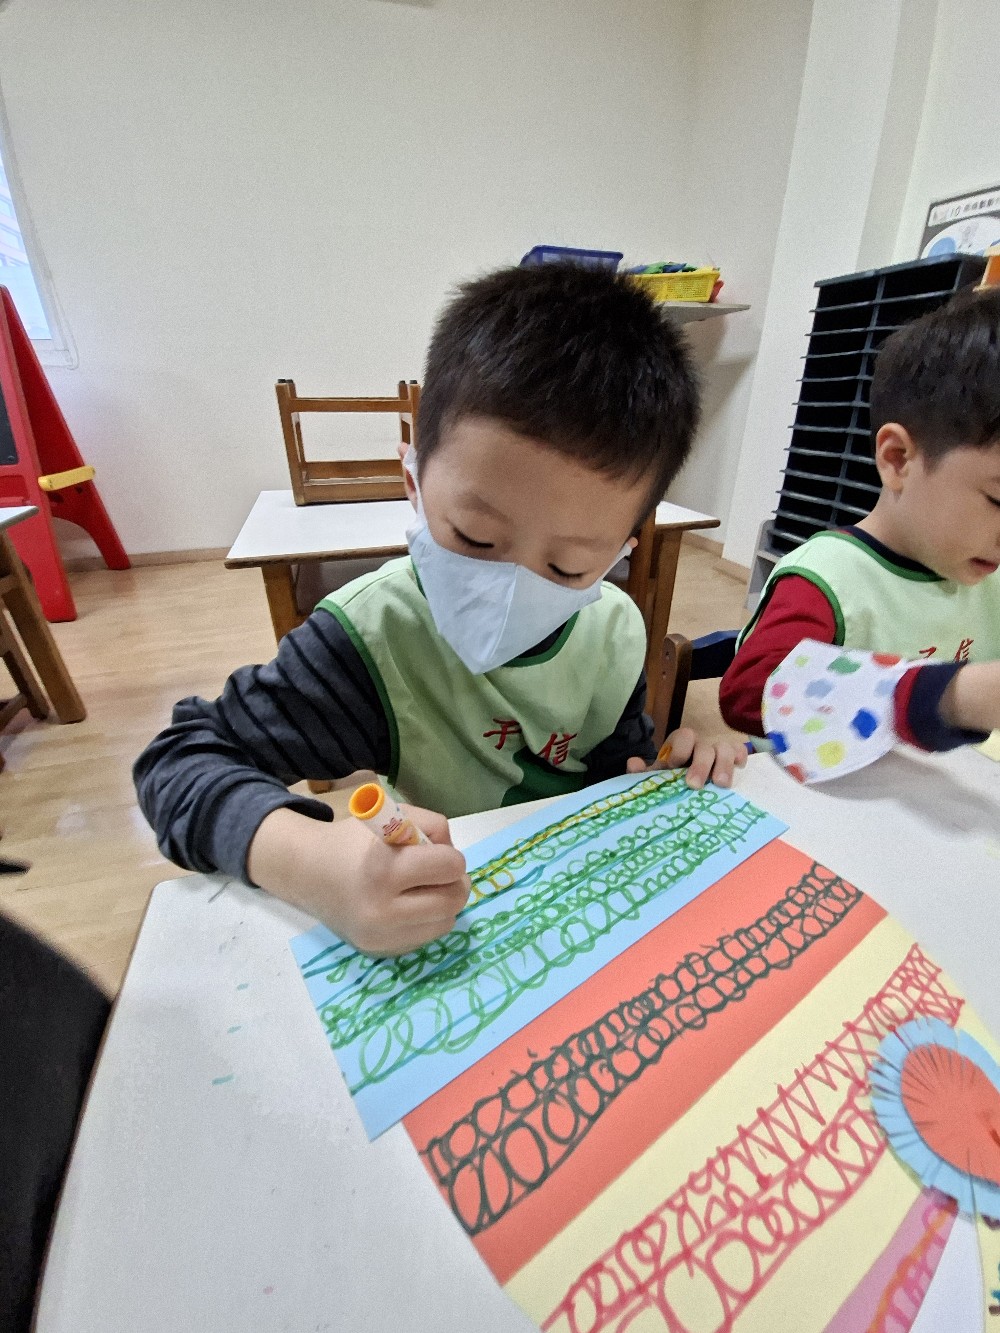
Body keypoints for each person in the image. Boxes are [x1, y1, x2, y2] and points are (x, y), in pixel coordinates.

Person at [135, 263, 745, 956]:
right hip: (443, 927)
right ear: (414, 480)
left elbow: (612, 768)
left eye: (568, 567)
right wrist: (313, 863)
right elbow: (177, 764)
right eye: (476, 537)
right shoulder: (372, 639)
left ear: (620, 551)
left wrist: (667, 772)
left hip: (564, 919)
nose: (511, 587)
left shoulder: (614, 631)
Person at [720, 286, 1000, 749]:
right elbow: (749, 694)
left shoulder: (989, 583)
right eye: (997, 500)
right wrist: (949, 698)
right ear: (898, 459)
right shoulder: (829, 579)